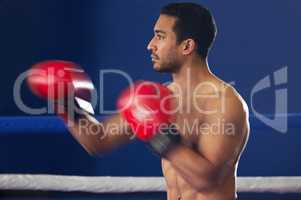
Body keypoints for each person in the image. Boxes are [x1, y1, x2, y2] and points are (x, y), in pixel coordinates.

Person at [27, 3, 249, 200]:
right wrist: (68, 104)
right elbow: (99, 140)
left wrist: (156, 135)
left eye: (160, 36)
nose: (150, 45)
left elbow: (208, 180)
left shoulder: (223, 102)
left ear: (187, 46)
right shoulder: (157, 98)